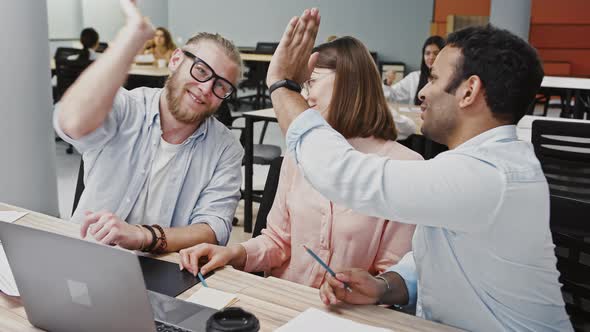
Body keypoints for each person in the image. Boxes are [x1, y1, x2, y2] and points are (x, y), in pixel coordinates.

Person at [265, 9, 572, 332]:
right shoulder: (474, 166)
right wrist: (385, 286)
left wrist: (282, 85)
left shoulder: (490, 175)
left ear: (469, 91)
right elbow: (436, 254)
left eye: (435, 79)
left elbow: (344, 176)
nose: (422, 92)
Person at [177, 37, 420, 286]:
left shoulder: (404, 167)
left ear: (349, 82)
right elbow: (277, 241)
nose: (303, 96)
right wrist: (233, 253)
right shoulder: (300, 154)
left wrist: (365, 292)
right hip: (285, 300)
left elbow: (393, 278)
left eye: (311, 83)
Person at [54, 0, 243, 253]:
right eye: (200, 70)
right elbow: (71, 122)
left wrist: (143, 236)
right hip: (90, 259)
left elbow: (213, 229)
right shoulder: (127, 107)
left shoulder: (225, 147)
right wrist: (129, 40)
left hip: (165, 274)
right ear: (176, 59)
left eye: (221, 86)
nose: (206, 88)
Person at [383, 36, 445, 105]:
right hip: (417, 115)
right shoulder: (414, 77)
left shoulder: (451, 79)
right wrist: (387, 83)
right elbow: (392, 96)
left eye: (436, 53)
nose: (431, 57)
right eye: (427, 53)